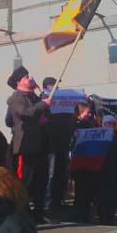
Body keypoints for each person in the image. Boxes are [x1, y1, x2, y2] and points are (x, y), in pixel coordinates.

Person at [5, 66, 52, 222]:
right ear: (19, 82)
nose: (30, 78)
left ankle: (39, 213)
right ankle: (24, 213)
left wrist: (44, 110)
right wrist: (43, 104)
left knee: (41, 180)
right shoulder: (16, 97)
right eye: (26, 77)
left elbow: (44, 112)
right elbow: (26, 113)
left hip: (40, 144)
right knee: (25, 180)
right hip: (26, 146)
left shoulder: (34, 97)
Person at [40, 77, 74, 217]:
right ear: (47, 88)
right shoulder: (42, 101)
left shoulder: (64, 103)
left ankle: (58, 200)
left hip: (63, 141)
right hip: (51, 143)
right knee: (51, 174)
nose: (57, 89)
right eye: (53, 86)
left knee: (61, 172)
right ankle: (47, 204)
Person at [71, 102, 99, 223]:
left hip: (89, 160)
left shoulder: (89, 124)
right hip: (79, 161)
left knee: (88, 189)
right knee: (80, 190)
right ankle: (79, 215)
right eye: (88, 112)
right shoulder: (74, 124)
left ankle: (86, 214)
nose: (89, 114)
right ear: (81, 112)